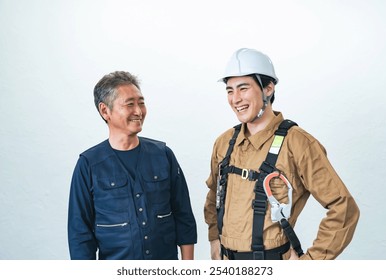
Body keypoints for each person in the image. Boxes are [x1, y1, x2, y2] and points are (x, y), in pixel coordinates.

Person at [204, 48, 359, 260]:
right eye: (230, 91)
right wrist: (214, 239)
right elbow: (214, 196)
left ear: (268, 88)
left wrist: (311, 263)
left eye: (243, 88)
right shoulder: (224, 143)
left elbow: (344, 208)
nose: (235, 99)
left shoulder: (298, 143)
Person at [68, 71, 197, 260]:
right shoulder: (88, 164)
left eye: (141, 103)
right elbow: (80, 235)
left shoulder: (163, 155)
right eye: (130, 104)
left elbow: (183, 216)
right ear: (105, 111)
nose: (139, 111)